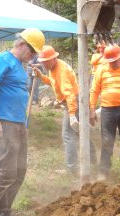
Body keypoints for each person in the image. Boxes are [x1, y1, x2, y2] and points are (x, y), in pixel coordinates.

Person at [0, 28, 45, 216]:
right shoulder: (2, 60)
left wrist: (23, 123)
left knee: (19, 171)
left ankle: (5, 211)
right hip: (4, 123)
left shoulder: (20, 65)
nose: (33, 56)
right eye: (32, 51)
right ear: (21, 44)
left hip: (18, 124)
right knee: (7, 171)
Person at [33, 45, 97, 175]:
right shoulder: (53, 68)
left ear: (53, 59)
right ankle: (93, 160)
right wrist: (41, 76)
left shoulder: (61, 71)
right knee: (81, 132)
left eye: (45, 62)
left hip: (73, 103)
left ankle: (72, 168)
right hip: (73, 102)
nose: (43, 64)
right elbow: (52, 83)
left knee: (68, 135)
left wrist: (72, 114)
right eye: (42, 62)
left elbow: (70, 94)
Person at [89, 44, 120, 181]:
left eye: (115, 61)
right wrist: (92, 110)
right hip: (108, 111)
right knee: (107, 142)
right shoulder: (101, 70)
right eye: (110, 61)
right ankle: (104, 173)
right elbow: (94, 90)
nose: (112, 63)